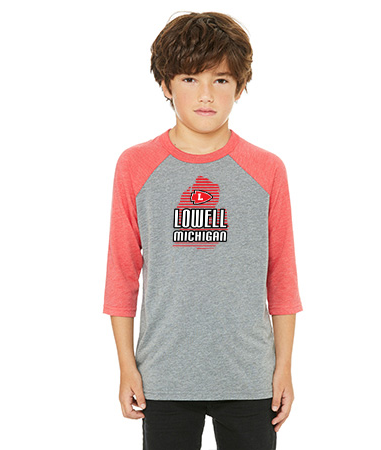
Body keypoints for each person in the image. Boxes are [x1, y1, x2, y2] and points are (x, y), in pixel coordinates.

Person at [103, 11, 303, 450]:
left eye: (221, 79)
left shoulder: (267, 169)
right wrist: (126, 366)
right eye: (190, 79)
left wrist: (284, 366)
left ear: (240, 86)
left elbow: (282, 275)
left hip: (249, 374)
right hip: (164, 374)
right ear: (166, 84)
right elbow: (121, 274)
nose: (206, 95)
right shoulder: (135, 166)